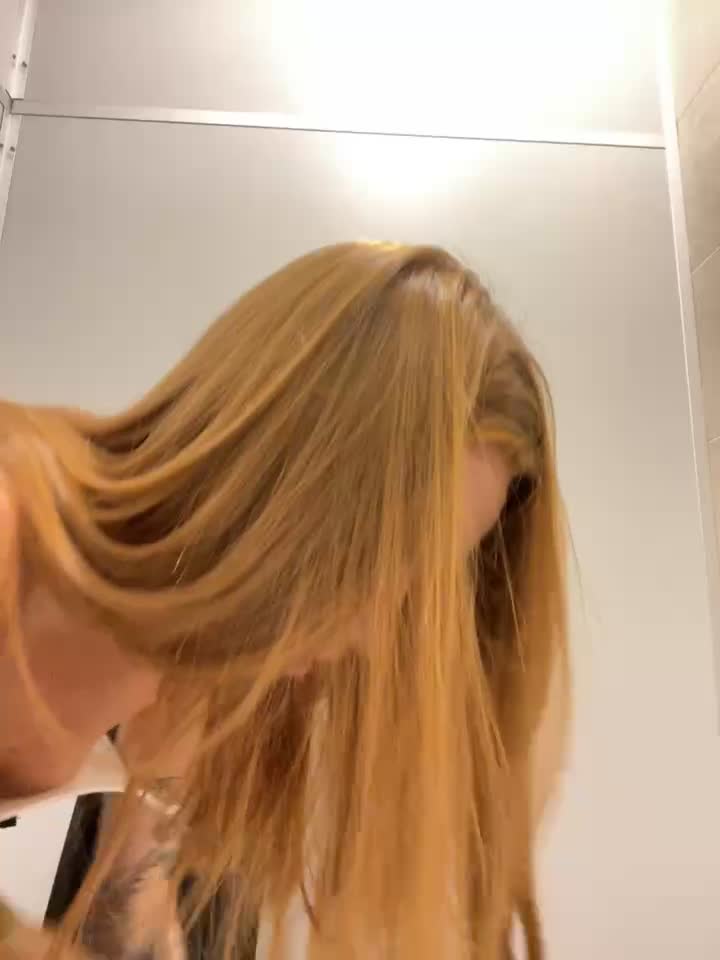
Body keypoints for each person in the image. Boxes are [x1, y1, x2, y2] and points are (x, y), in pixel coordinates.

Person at [0, 241, 568, 960]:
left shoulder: (190, 685)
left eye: (411, 588)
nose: (374, 633)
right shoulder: (12, 523)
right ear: (278, 471)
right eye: (374, 556)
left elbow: (127, 907)